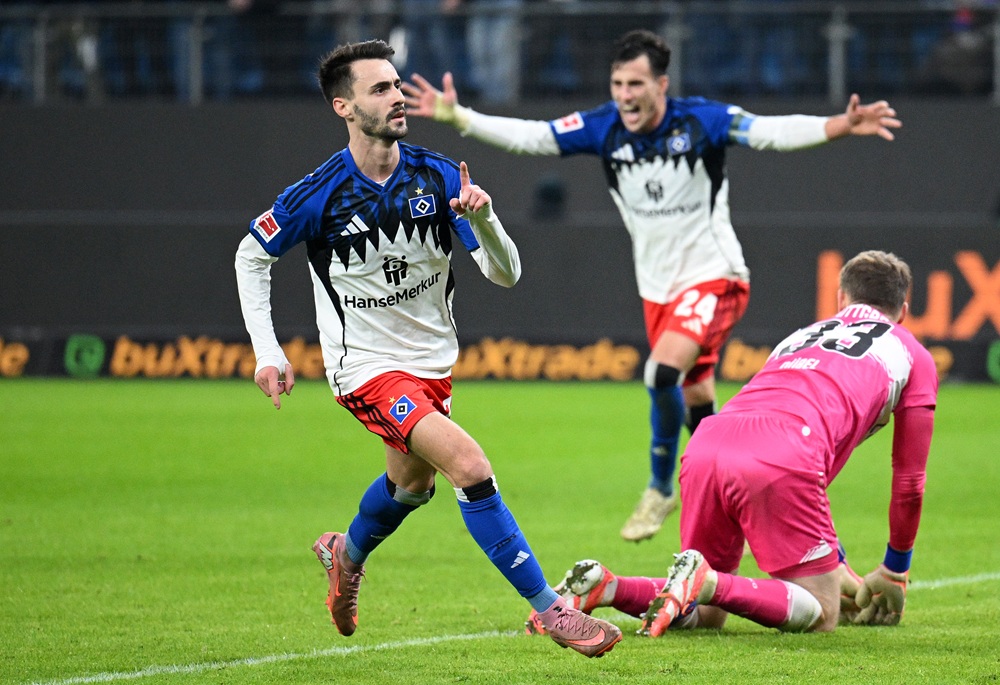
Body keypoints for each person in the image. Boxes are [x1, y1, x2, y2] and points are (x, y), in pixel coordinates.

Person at [402, 28, 903, 543]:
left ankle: (661, 488)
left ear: (661, 84)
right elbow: (535, 137)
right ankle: (731, 482)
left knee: (661, 371)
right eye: (618, 83)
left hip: (715, 276)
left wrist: (840, 124)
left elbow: (769, 131)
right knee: (697, 397)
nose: (624, 94)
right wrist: (459, 117)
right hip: (659, 291)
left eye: (635, 83)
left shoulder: (701, 121)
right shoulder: (603, 128)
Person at [233, 38, 621, 658]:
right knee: (468, 466)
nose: (396, 97)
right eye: (379, 89)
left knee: (412, 487)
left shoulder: (439, 177)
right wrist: (268, 351)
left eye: (395, 84)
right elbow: (251, 254)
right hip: (362, 368)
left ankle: (345, 553)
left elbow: (505, 275)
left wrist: (486, 218)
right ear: (343, 106)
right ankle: (551, 609)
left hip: (430, 367)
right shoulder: (318, 193)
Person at [525, 250, 937, 635]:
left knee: (706, 613)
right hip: (784, 452)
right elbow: (910, 480)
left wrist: (836, 562)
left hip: (710, 440)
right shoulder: (912, 354)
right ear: (904, 309)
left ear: (840, 296)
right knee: (824, 610)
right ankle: (704, 579)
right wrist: (895, 569)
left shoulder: (799, 337)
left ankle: (606, 586)